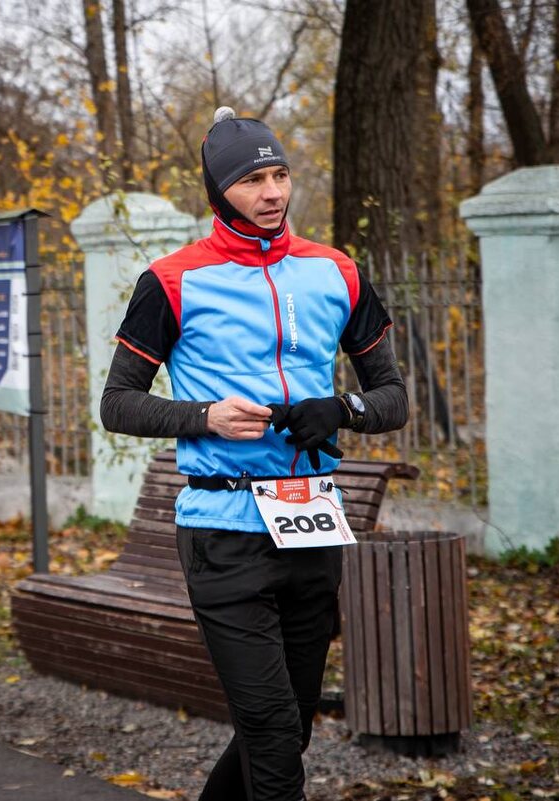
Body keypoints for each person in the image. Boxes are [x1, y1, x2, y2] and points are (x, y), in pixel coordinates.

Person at [100, 108, 409, 801]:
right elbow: (117, 401)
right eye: (251, 180)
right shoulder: (173, 279)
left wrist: (343, 408)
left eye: (279, 175)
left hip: (311, 522)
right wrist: (203, 416)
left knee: (287, 727)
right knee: (270, 730)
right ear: (218, 191)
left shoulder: (336, 272)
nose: (272, 193)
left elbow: (392, 394)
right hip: (222, 530)